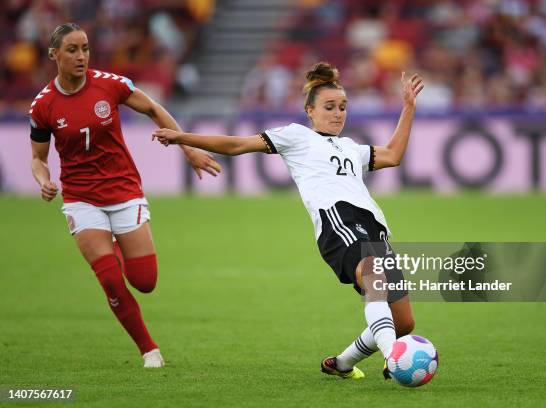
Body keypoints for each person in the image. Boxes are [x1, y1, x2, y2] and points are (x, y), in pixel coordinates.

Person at [153, 62, 423, 379]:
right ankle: (394, 357)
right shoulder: (296, 136)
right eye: (330, 107)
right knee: (375, 279)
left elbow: (392, 155)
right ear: (310, 110)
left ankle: (343, 364)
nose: (338, 114)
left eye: (343, 107)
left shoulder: (350, 148)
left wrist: (408, 107)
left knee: (404, 322)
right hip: (338, 221)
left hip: (375, 227)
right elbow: (237, 144)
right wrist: (182, 137)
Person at [29, 23, 221, 368]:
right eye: (72, 49)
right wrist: (43, 179)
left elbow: (152, 108)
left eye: (85, 48)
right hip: (80, 198)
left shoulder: (110, 85)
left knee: (145, 282)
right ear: (54, 54)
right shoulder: (43, 106)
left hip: (123, 191)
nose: (81, 56)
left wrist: (188, 147)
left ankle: (114, 245)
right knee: (110, 280)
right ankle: (149, 350)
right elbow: (38, 158)